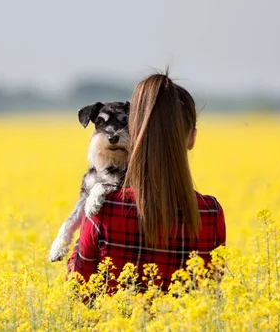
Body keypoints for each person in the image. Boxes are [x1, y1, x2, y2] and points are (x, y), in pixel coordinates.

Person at [67, 69, 226, 291]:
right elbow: (212, 297)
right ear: (192, 139)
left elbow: (77, 291)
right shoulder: (210, 213)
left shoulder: (104, 208)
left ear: (134, 135)